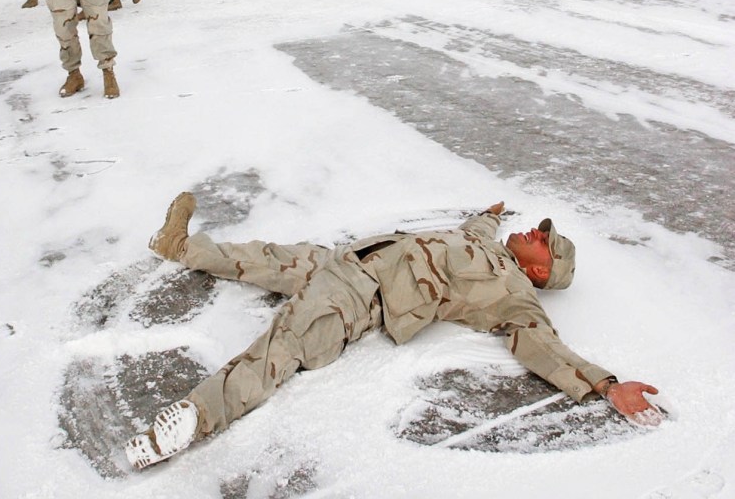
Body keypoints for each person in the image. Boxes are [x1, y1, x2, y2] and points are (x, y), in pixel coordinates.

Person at [125, 195, 663, 470]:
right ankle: (178, 247)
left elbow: (543, 345)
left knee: (284, 345)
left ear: (542, 271)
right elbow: (477, 228)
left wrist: (602, 383)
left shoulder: (513, 294)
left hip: (362, 297)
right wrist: (490, 214)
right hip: (348, 258)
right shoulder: (488, 245)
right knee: (262, 258)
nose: (533, 230)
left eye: (543, 239)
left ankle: (192, 418)